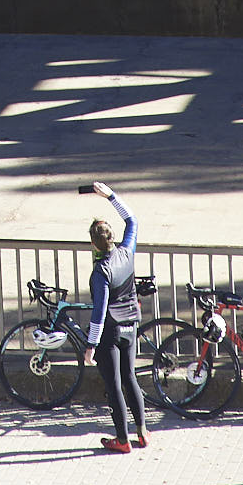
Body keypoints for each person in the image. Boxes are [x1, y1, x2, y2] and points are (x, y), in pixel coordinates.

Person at [83, 180, 147, 452]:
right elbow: (131, 219)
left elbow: (99, 313)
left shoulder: (101, 273)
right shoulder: (126, 252)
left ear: (93, 244)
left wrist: (90, 346)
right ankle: (142, 432)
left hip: (110, 332)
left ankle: (122, 440)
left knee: (114, 386)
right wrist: (110, 195)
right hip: (132, 325)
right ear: (112, 238)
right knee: (130, 377)